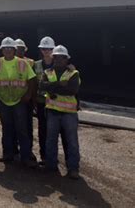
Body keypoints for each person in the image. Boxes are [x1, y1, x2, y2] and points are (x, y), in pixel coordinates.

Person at [0, 37, 37, 167]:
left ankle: (25, 157)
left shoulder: (23, 63)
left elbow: (32, 79)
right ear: (2, 50)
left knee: (22, 129)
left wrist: (28, 94)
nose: (8, 50)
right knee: (7, 128)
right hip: (3, 101)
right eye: (5, 48)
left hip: (19, 101)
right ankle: (8, 154)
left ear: (14, 50)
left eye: (10, 48)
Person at [40, 45, 81, 180]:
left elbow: (71, 90)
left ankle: (73, 168)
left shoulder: (73, 73)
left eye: (62, 58)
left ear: (66, 59)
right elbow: (42, 86)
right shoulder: (47, 72)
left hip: (69, 113)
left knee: (71, 141)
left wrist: (52, 88)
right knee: (51, 139)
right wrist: (60, 84)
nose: (58, 60)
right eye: (56, 57)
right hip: (52, 111)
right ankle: (51, 166)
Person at [34, 36, 56, 164]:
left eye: (48, 48)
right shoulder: (36, 65)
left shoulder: (59, 64)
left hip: (55, 103)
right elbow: (33, 84)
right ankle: (44, 155)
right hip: (41, 102)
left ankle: (52, 157)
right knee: (43, 129)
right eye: (44, 48)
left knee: (54, 131)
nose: (46, 51)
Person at [14, 38, 37, 160]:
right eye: (17, 49)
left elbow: (34, 81)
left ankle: (28, 150)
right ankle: (13, 149)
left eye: (21, 49)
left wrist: (32, 98)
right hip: (13, 98)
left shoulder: (30, 62)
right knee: (13, 125)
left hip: (26, 99)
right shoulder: (9, 61)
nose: (19, 51)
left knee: (27, 126)